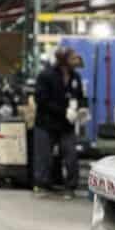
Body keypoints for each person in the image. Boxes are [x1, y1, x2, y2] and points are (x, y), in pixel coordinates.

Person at [32, 46, 87, 198]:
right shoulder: (46, 75)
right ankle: (42, 186)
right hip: (46, 123)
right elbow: (41, 100)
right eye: (72, 57)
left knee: (71, 155)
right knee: (44, 156)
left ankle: (70, 187)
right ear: (63, 59)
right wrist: (63, 111)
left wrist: (82, 109)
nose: (75, 60)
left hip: (66, 125)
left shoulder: (75, 77)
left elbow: (81, 96)